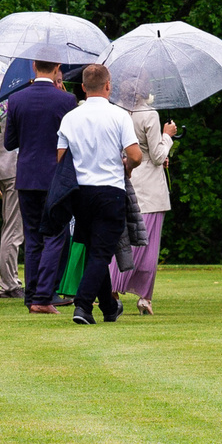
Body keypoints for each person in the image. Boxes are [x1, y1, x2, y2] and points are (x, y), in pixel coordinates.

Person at [53, 64, 141, 324]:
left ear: (83, 87)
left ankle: (109, 307)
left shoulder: (70, 118)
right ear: (108, 85)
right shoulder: (119, 115)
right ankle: (82, 306)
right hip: (109, 189)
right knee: (101, 252)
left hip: (80, 192)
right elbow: (136, 155)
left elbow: (61, 157)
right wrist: (127, 166)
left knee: (94, 248)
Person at [1, 61, 78, 314]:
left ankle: (32, 295)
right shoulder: (66, 100)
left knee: (33, 238)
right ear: (57, 67)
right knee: (55, 235)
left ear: (34, 66)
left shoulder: (16, 99)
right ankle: (43, 296)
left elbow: (10, 142)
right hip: (55, 177)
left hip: (26, 177)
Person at [112, 101, 175, 313]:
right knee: (148, 245)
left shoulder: (118, 111)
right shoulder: (149, 114)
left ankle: (113, 287)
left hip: (125, 179)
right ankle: (143, 297)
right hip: (149, 187)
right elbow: (157, 156)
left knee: (124, 239)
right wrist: (167, 136)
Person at [0, 131, 25, 297]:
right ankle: (9, 284)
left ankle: (10, 282)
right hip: (13, 168)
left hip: (2, 167)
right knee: (14, 228)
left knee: (11, 226)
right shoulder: (9, 113)